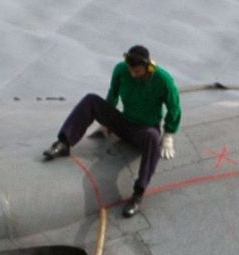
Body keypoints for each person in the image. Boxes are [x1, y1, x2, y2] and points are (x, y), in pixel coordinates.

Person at [43, 46, 182, 218]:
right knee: (91, 100)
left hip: (144, 129)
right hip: (124, 122)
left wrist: (169, 134)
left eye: (137, 71)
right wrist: (106, 121)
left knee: (154, 138)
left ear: (148, 66)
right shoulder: (121, 70)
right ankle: (64, 143)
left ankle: (138, 194)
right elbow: (113, 94)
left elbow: (174, 108)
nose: (133, 74)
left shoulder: (163, 80)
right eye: (131, 70)